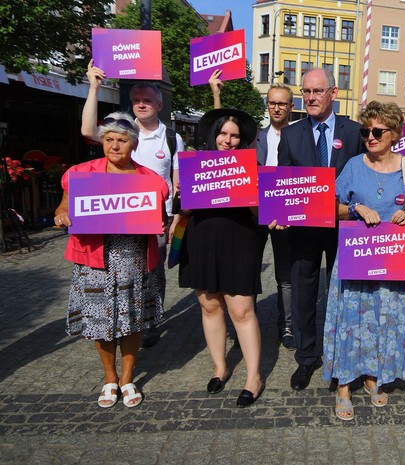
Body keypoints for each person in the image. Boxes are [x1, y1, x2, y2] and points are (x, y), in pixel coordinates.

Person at [54, 112, 169, 408]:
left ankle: (127, 378)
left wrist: (162, 223)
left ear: (133, 145)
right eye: (109, 140)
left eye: (121, 140)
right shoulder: (82, 174)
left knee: (132, 319)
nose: (114, 146)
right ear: (102, 142)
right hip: (95, 259)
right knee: (101, 321)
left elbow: (161, 218)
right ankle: (109, 377)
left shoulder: (150, 180)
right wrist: (62, 214)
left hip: (134, 259)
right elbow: (63, 206)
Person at [323, 101, 405, 421]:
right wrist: (355, 209)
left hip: (391, 259)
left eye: (378, 131)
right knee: (350, 320)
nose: (370, 137)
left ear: (394, 134)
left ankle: (373, 375)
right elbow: (330, 206)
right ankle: (343, 386)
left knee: (383, 319)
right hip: (356, 256)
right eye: (366, 131)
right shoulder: (354, 165)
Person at [82, 60, 184, 349]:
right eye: (137, 100)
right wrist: (94, 87)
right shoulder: (121, 129)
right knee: (118, 271)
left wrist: (176, 219)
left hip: (156, 218)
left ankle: (150, 321)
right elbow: (88, 130)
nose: (141, 104)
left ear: (159, 104)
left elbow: (178, 183)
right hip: (115, 214)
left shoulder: (172, 138)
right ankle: (121, 318)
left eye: (147, 100)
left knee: (153, 272)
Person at [277, 68, 366, 391]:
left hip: (345, 226)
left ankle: (341, 358)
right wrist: (280, 210)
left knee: (343, 292)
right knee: (303, 293)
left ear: (333, 93)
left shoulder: (354, 132)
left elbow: (364, 175)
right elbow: (284, 180)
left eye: (317, 91)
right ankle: (306, 357)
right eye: (306, 91)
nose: (311, 98)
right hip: (304, 229)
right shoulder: (291, 134)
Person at [177, 108, 264, 407]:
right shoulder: (195, 164)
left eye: (235, 136)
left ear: (242, 140)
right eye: (223, 134)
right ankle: (220, 368)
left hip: (239, 241)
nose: (228, 140)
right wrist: (184, 194)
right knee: (210, 306)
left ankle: (253, 377)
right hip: (201, 240)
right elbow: (182, 210)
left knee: (242, 311)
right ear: (214, 135)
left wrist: (253, 194)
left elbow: (261, 214)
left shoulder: (252, 167)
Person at [211, 71, 297, 350]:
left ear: (290, 106)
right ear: (266, 105)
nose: (276, 108)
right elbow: (221, 140)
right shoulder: (252, 137)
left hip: (285, 213)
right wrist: (216, 95)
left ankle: (287, 326)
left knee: (285, 274)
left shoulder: (300, 136)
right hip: (253, 212)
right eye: (272, 103)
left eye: (282, 103)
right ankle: (245, 325)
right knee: (248, 271)